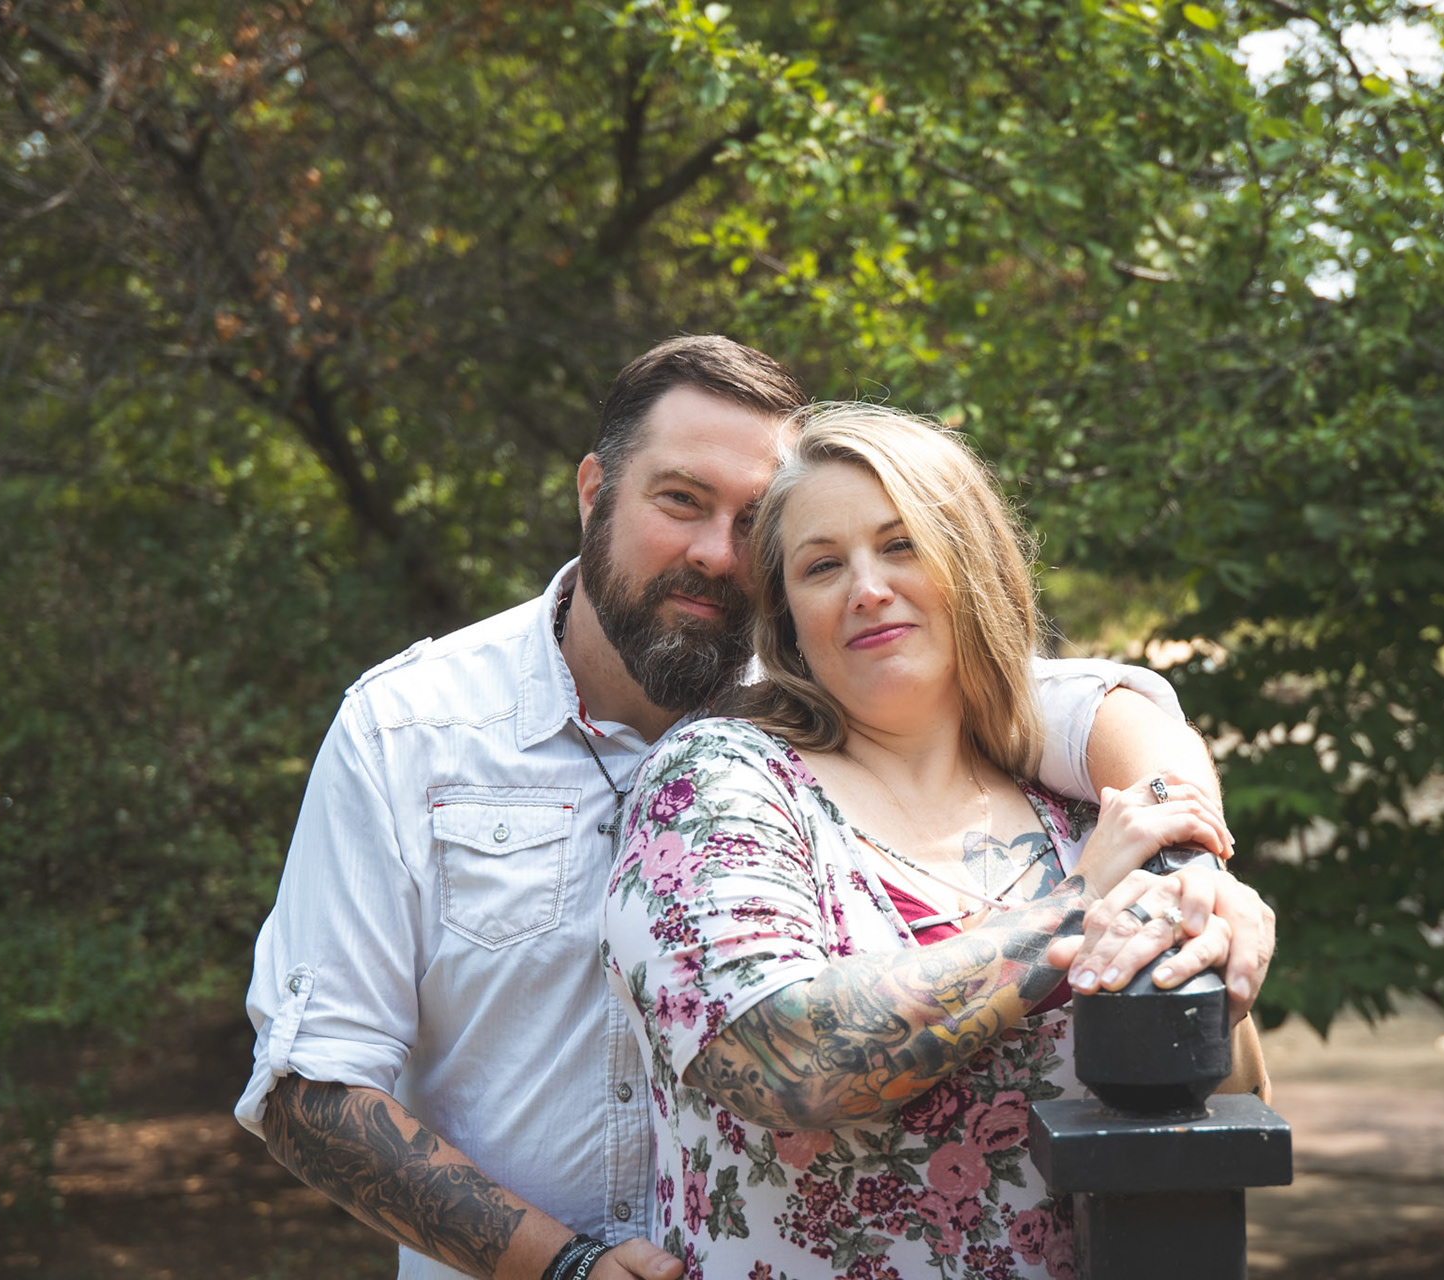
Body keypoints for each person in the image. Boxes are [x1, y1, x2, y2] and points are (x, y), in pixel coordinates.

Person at [238, 337, 1275, 1280]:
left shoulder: (834, 675)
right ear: (594, 492)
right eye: (681, 500)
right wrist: (560, 1267)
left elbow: (1077, 700)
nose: (717, 552)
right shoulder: (416, 728)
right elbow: (311, 1087)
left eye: (754, 523)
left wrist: (1190, 868)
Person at [602, 403, 1270, 1280]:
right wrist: (1075, 911)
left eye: (902, 544)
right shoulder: (718, 781)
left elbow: (1220, 1111)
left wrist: (1213, 951)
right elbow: (782, 1056)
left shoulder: (1079, 807)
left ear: (972, 565)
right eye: (822, 566)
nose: (867, 588)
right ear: (788, 618)